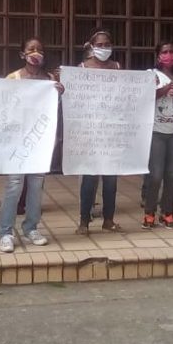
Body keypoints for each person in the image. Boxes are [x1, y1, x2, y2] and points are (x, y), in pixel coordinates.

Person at [0, 37, 64, 253]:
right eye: (31, 49)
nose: (36, 52)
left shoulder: (49, 80)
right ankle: (6, 232)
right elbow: (2, 106)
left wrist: (60, 93)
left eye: (40, 49)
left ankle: (31, 227)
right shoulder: (13, 78)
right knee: (14, 185)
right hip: (16, 140)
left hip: (39, 140)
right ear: (22, 54)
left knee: (36, 184)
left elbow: (54, 109)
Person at [76, 30, 124, 235]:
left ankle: (108, 219)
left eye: (107, 44)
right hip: (90, 130)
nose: (104, 48)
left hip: (111, 131)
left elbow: (125, 94)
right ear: (92, 46)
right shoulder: (83, 68)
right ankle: (84, 221)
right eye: (100, 44)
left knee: (111, 179)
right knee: (89, 178)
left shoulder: (117, 67)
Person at [141, 41, 173, 230]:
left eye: (172, 51)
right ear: (158, 55)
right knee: (155, 175)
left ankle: (167, 213)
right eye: (165, 52)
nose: (169, 55)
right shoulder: (150, 74)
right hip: (157, 132)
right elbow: (145, 97)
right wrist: (165, 89)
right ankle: (149, 213)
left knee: (172, 175)